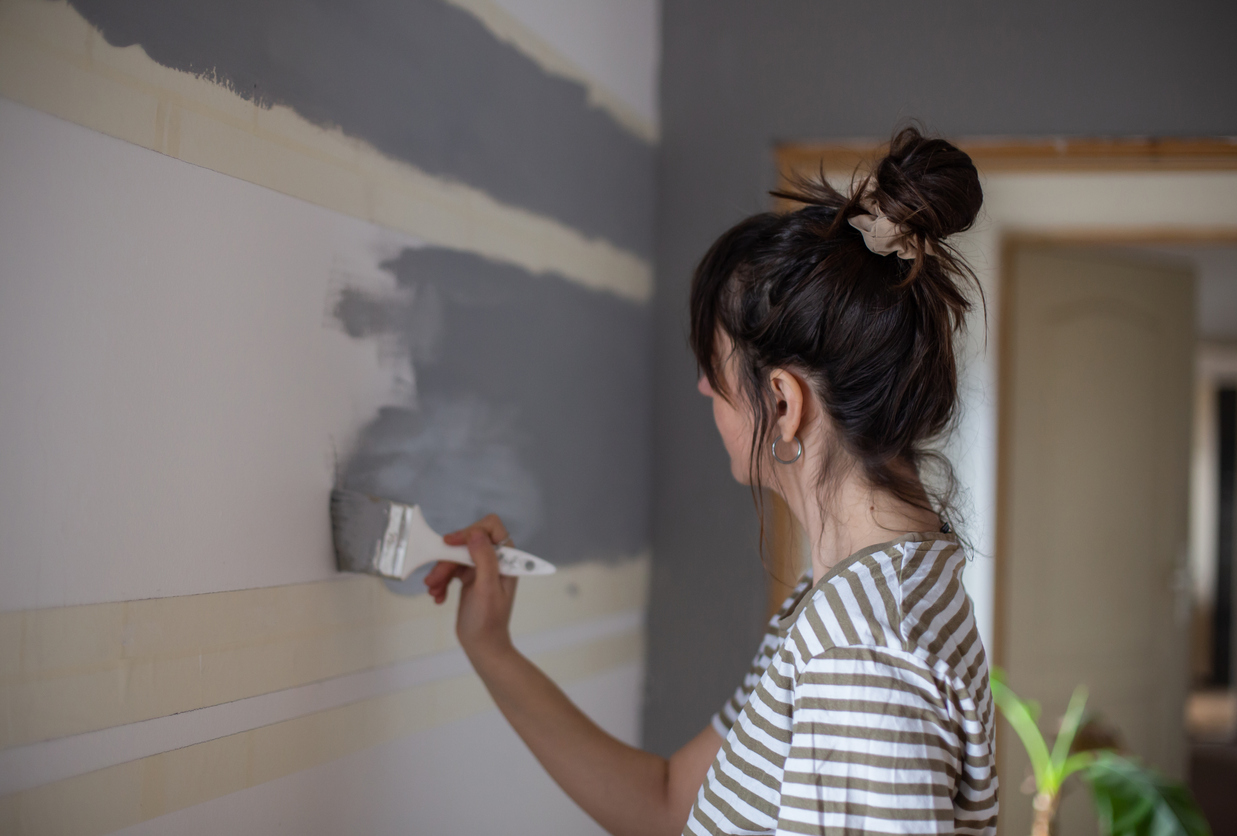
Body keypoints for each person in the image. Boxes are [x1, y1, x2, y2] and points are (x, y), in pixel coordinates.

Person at [423, 126, 998, 835]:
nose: (701, 388)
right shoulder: (847, 600)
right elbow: (671, 803)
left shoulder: (863, 657)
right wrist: (493, 650)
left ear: (783, 405)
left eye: (717, 371)